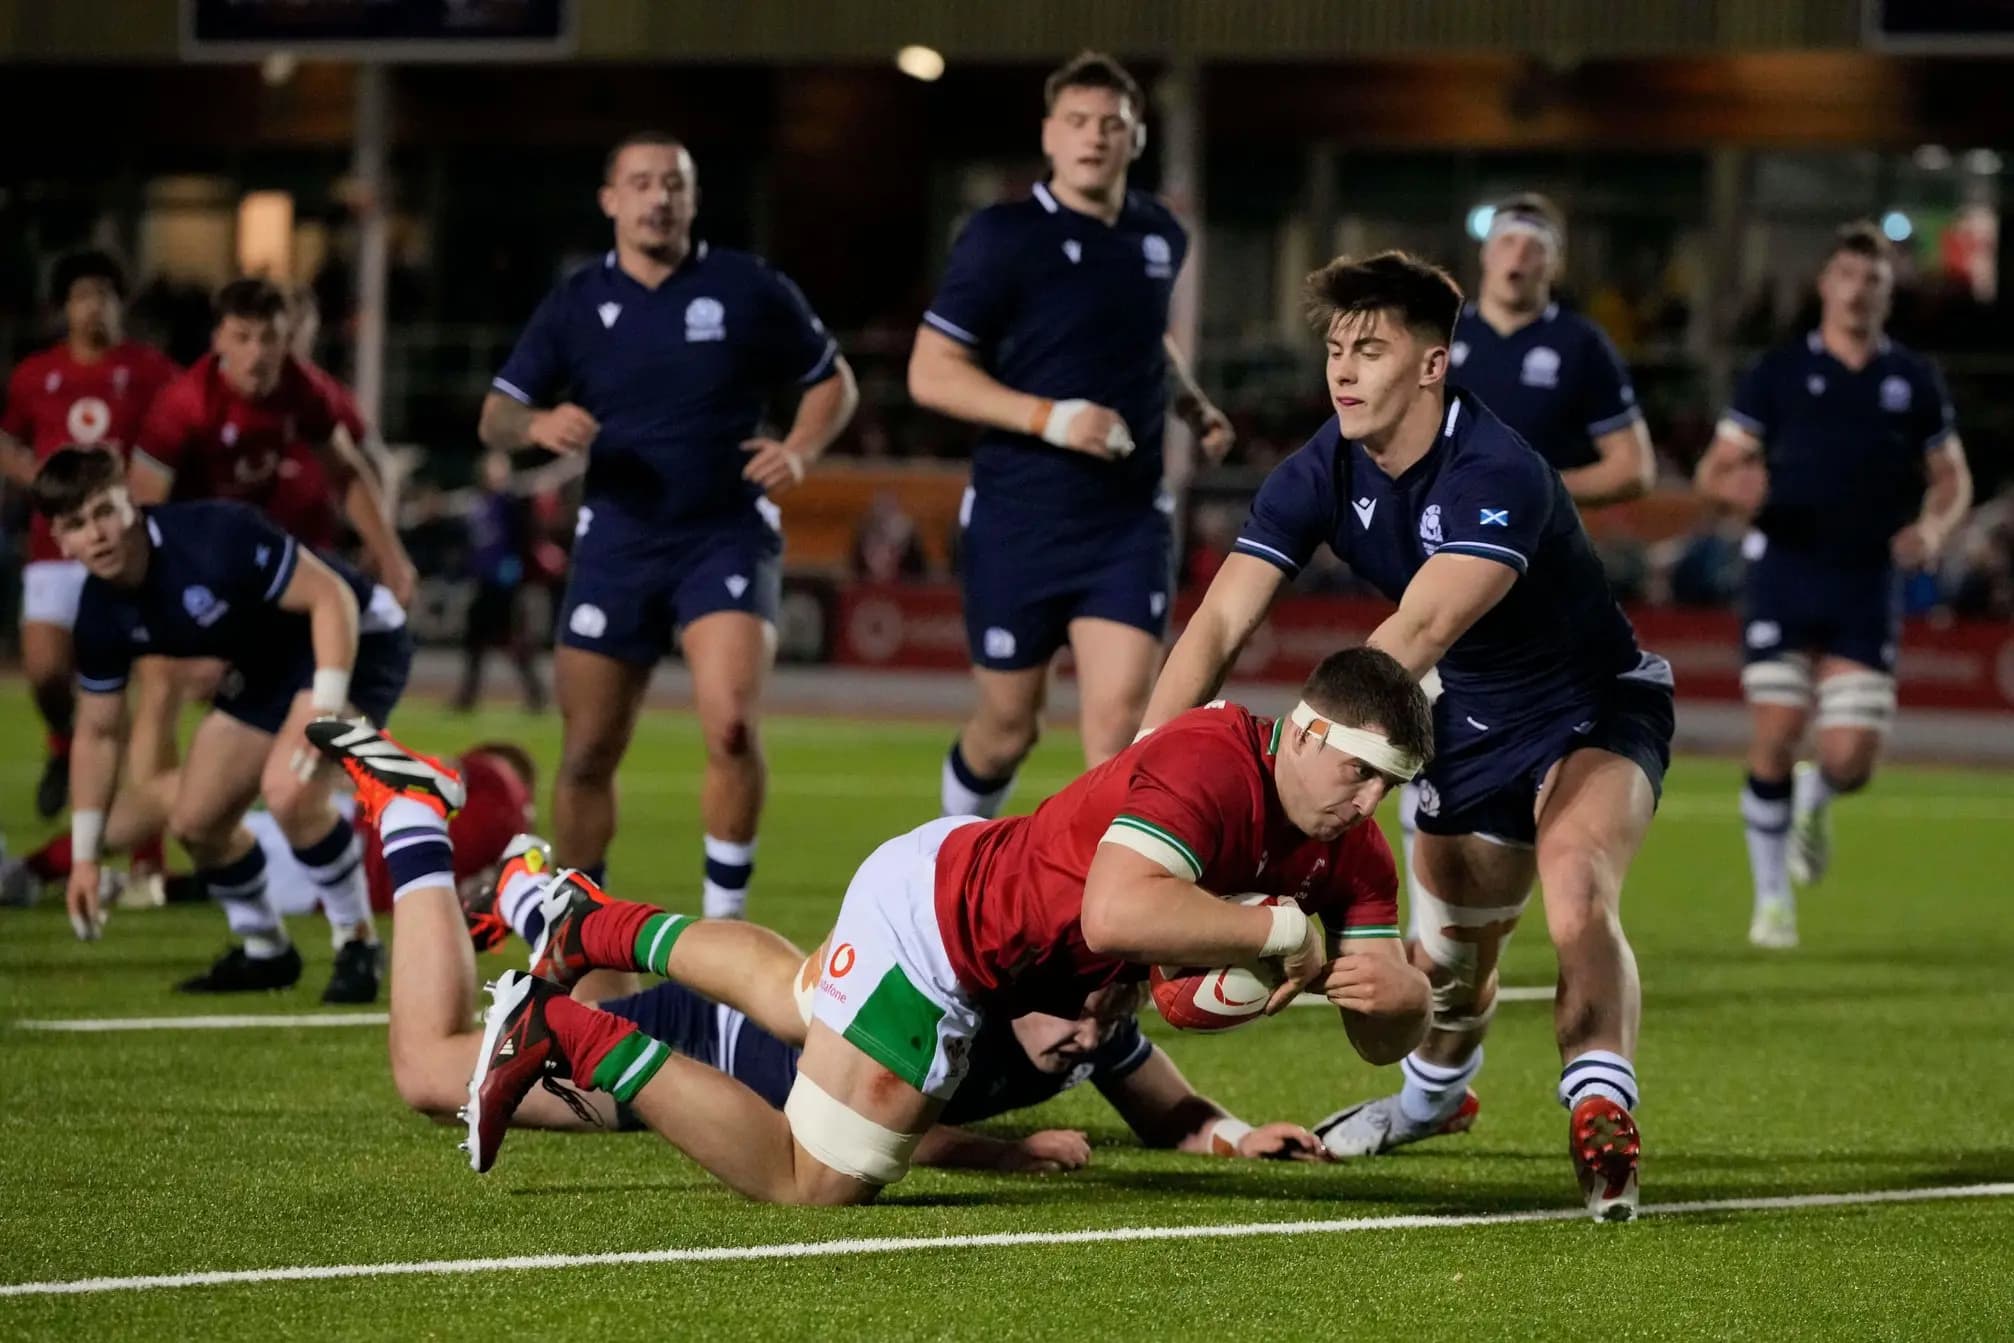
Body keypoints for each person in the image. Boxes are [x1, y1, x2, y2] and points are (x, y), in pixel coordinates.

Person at [424, 647, 1430, 1202]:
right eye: (1356, 771)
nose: (1364, 802)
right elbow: (1116, 911)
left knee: (794, 991)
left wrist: (1400, 1000)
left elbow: (1380, 1024)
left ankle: (586, 925)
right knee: (810, 1182)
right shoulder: (1214, 762)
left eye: (1388, 786)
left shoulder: (1352, 850)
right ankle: (565, 1029)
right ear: (1301, 730)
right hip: (948, 941)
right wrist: (1278, 938)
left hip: (950, 875)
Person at [1141, 252, 1673, 1221]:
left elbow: (1416, 633)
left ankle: (1601, 1108)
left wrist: (1291, 773)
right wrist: (1137, 784)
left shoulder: (1496, 467)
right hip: (1462, 720)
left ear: (1431, 366)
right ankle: (1433, 1098)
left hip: (1590, 703)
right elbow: (1217, 624)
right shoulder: (1323, 464)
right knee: (1450, 958)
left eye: (1370, 348)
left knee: (1574, 878)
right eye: (1335, 347)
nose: (1342, 369)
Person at [310, 726, 1332, 1172]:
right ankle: (418, 829)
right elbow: (904, 1131)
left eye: (1109, 1011)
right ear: (1014, 977)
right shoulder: (969, 983)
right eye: (1078, 1012)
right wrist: (1002, 1153)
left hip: (787, 1012)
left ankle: (550, 905)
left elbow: (1173, 1111)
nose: (1089, 1035)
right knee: (423, 1067)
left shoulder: (1090, 1010)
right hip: (714, 1054)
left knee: (794, 983)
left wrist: (1237, 1133)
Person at [478, 130, 858, 918]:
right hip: (617, 538)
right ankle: (580, 926)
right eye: (642, 183)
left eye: (673, 185)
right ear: (611, 199)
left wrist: (800, 447)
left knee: (728, 726)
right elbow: (496, 415)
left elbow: (833, 382)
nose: (658, 198)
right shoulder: (577, 302)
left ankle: (725, 920)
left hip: (724, 533)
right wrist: (538, 425)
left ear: (692, 198)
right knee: (585, 751)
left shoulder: (746, 286)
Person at [908, 51, 1234, 818]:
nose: (1094, 138)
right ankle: (952, 855)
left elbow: (1141, 334)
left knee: (1121, 725)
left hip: (1126, 518)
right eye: (1078, 123)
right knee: (1006, 729)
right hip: (1019, 514)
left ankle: (1108, 921)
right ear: (1050, 136)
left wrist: (1190, 403)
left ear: (1137, 139)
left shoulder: (1160, 235)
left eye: (1111, 125)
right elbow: (930, 371)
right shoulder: (1000, 236)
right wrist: (1051, 418)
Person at [34, 445, 413, 1002]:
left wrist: (325, 706)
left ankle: (357, 942)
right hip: (271, 662)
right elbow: (97, 732)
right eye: (75, 525)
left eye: (104, 512)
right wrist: (86, 860)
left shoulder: (213, 535)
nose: (96, 535)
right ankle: (265, 951)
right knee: (195, 820)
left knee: (289, 791)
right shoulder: (98, 614)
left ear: (132, 505)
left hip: (358, 637)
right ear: (59, 541)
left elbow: (332, 599)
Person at [1693, 221, 1971, 950]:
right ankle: (1772, 900)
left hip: (1866, 578)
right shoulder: (1777, 372)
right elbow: (1712, 474)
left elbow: (1952, 479)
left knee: (1849, 758)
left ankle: (1818, 797)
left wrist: (1935, 530)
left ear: (1888, 293)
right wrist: (1737, 488)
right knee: (1777, 732)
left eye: (1873, 281)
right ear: (1825, 284)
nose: (1858, 291)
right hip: (1785, 571)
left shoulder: (1912, 378)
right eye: (1847, 276)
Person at [1392, 194, 1661, 924]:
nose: (1519, 253)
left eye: (1535, 242)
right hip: (1438, 566)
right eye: (1507, 239)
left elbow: (1634, 465)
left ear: (1556, 260)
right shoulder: (1445, 339)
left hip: (1544, 589)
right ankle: (1434, 930)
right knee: (1425, 740)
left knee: (1508, 761)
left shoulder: (1579, 346)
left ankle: (1477, 916)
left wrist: (1528, 494)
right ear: (1484, 254)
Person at [0, 250, 179, 819]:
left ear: (120, 304)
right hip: (56, 545)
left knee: (140, 686)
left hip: (129, 546)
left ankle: (131, 821)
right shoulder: (35, 374)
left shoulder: (150, 371)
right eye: (81, 296)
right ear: (64, 308)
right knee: (48, 671)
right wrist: (41, 482)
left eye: (103, 294)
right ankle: (61, 742)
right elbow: (6, 441)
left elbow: (179, 436)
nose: (92, 307)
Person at [453, 451, 545, 712]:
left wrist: (516, 571)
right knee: (475, 641)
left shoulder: (510, 503)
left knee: (515, 640)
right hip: (483, 581)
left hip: (505, 582)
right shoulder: (477, 502)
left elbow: (525, 536)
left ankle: (536, 696)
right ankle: (467, 697)